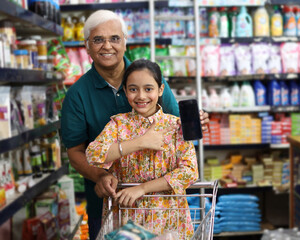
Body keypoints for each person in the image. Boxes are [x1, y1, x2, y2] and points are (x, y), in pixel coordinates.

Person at [60, 9, 209, 239]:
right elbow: (81, 152)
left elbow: (180, 134)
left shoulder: (152, 78)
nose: (107, 46)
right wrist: (101, 174)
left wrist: (194, 122)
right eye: (98, 40)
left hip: (167, 211)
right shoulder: (79, 96)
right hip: (116, 202)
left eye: (114, 38)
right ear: (87, 46)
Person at [86, 59, 199, 239]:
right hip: (128, 219)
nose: (141, 96)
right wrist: (141, 142)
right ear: (125, 91)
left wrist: (142, 189)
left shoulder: (176, 125)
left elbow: (189, 172)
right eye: (133, 89)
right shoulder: (118, 124)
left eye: (148, 89)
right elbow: (93, 155)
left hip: (168, 218)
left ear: (160, 90)